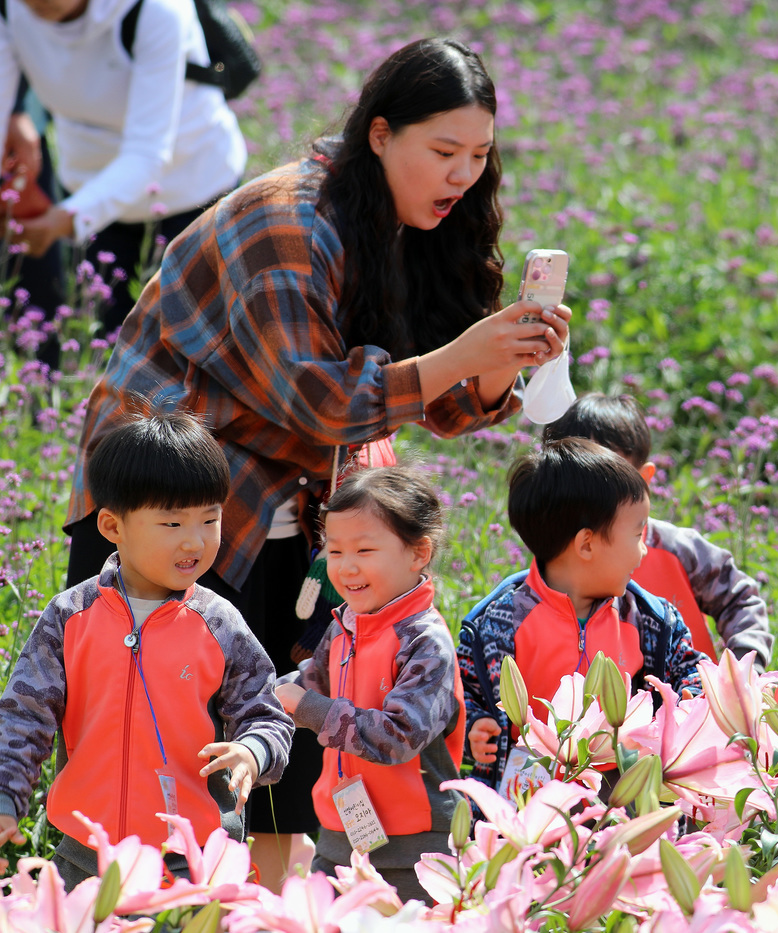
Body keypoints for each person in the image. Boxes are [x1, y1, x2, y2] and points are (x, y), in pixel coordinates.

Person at [63, 38, 569, 886]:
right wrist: (462, 353)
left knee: (285, 738)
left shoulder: (413, 225)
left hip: (294, 503)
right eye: (442, 152)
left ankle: (264, 903)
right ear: (379, 134)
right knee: (160, 744)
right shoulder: (286, 221)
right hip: (171, 495)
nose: (461, 177)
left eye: (479, 157)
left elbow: (438, 401)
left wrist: (500, 355)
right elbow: (320, 399)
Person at [0, 408, 292, 887]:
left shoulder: (219, 624)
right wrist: (5, 797)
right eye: (172, 524)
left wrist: (252, 752)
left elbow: (267, 715)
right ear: (113, 526)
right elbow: (24, 716)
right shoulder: (70, 615)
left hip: (191, 859)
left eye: (210, 519)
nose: (195, 541)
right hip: (84, 855)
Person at [459, 438, 704, 792]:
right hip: (528, 789)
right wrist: (476, 726)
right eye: (637, 534)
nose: (644, 551)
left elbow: (687, 673)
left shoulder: (651, 620)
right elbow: (463, 693)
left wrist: (684, 707)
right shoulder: (496, 623)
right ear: (586, 544)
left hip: (619, 786)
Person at [275, 466, 465, 902]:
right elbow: (306, 684)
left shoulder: (425, 640)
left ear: (419, 553)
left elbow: (398, 737)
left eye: (364, 549)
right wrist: (255, 701)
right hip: (340, 837)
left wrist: (306, 707)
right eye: (335, 551)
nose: (346, 567)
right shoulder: (344, 625)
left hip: (413, 852)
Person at [0, 0, 248, 334]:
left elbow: (147, 155)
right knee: (112, 345)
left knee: (197, 345)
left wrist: (65, 220)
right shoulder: (9, 9)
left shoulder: (157, 10)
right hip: (92, 192)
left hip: (193, 194)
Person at [541, 393, 773, 666]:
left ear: (644, 479)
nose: (592, 496)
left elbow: (740, 599)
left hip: (693, 701)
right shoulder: (558, 558)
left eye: (608, 480)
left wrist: (741, 672)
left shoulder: (678, 549)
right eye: (577, 481)